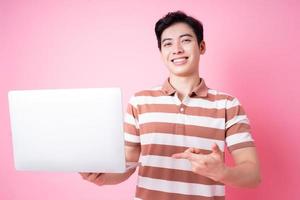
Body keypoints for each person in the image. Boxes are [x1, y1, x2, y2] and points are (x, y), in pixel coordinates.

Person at [79, 11, 261, 200]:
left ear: (202, 46)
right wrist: (103, 177)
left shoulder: (227, 105)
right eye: (167, 44)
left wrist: (222, 172)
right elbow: (129, 164)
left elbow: (253, 176)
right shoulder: (140, 101)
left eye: (185, 40)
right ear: (161, 53)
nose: (177, 49)